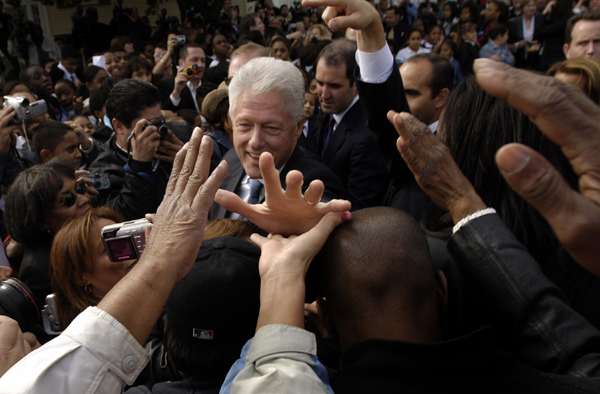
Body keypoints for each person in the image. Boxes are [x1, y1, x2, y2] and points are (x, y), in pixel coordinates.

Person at [210, 56, 347, 221]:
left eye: (271, 128)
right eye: (245, 125)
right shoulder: (230, 161)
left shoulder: (315, 185)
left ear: (298, 127)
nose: (255, 142)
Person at [4, 159, 92, 312]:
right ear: (41, 219)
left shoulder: (89, 230)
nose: (84, 199)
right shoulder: (39, 271)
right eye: (68, 200)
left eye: (79, 188)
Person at [88, 79, 183, 220]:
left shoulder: (174, 136)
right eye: (148, 125)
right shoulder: (101, 173)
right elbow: (125, 218)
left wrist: (190, 162)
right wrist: (139, 167)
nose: (158, 131)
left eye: (160, 121)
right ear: (119, 126)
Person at [314, 39, 388, 209]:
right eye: (319, 83)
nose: (324, 94)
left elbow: (359, 206)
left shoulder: (367, 137)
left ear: (356, 85)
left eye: (334, 86)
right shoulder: (329, 112)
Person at [157, 43, 206, 113]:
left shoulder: (210, 85)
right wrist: (176, 92)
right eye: (194, 60)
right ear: (181, 63)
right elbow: (166, 113)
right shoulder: (167, 85)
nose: (200, 65)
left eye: (203, 61)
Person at [509, 0, 541, 69]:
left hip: (536, 60)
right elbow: (509, 43)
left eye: (534, 5)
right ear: (523, 7)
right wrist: (518, 44)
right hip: (518, 60)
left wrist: (538, 45)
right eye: (528, 6)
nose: (531, 8)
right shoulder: (514, 23)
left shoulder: (540, 21)